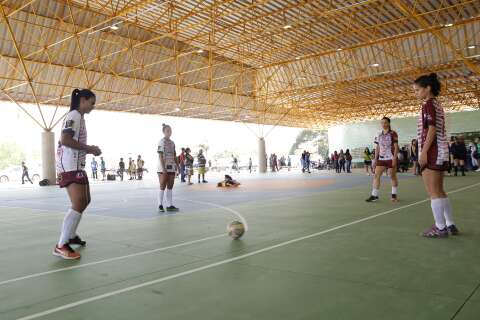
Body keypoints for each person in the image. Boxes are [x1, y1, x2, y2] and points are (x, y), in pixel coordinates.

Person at [54, 88, 101, 259]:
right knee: (79, 202)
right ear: (83, 100)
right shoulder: (74, 115)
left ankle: (71, 235)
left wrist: (89, 150)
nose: (93, 106)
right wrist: (90, 149)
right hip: (69, 166)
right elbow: (65, 140)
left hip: (76, 165)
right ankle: (61, 245)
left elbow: (73, 141)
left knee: (85, 200)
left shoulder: (79, 117)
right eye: (92, 103)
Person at [414, 73, 458, 237]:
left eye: (418, 90)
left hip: (433, 151)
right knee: (440, 191)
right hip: (440, 151)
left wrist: (423, 151)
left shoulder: (428, 105)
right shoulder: (437, 105)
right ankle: (450, 224)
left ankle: (440, 228)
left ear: (428, 89)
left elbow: (431, 129)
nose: (416, 93)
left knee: (433, 192)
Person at [366, 117, 399, 202]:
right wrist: (375, 159)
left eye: (385, 122)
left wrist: (395, 158)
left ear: (388, 123)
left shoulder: (393, 133)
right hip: (381, 159)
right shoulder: (378, 134)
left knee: (392, 175)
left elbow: (396, 147)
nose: (383, 124)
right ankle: (374, 195)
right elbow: (377, 147)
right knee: (376, 175)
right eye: (382, 123)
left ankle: (394, 195)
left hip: (391, 158)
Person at [157, 124, 179, 212]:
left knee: (170, 186)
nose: (169, 132)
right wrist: (163, 169)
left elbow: (174, 155)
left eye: (170, 130)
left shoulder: (172, 143)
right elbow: (160, 156)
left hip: (171, 167)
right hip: (163, 168)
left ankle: (169, 205)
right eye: (167, 131)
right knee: (162, 186)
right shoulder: (161, 142)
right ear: (164, 132)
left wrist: (177, 166)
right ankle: (160, 205)